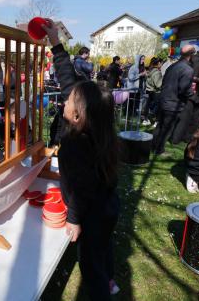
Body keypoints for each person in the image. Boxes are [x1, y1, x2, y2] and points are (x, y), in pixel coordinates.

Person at [43, 19, 120, 300]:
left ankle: (101, 290)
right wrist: (55, 42)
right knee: (104, 247)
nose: (64, 99)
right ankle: (110, 280)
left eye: (69, 102)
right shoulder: (98, 129)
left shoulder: (76, 144)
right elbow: (67, 79)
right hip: (108, 207)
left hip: (91, 214)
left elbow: (82, 189)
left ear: (76, 116)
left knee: (89, 261)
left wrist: (74, 220)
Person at [152, 45, 195, 156]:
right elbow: (184, 89)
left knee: (160, 125)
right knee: (166, 128)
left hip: (164, 99)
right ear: (191, 55)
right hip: (173, 103)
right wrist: (193, 94)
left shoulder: (173, 66)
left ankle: (153, 146)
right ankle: (159, 150)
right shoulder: (187, 69)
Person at [141, 57, 163, 126]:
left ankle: (146, 120)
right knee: (158, 107)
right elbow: (158, 84)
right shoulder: (157, 72)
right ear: (158, 63)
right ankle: (156, 122)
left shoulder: (150, 70)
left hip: (149, 90)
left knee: (147, 106)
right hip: (156, 92)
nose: (162, 64)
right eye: (161, 63)